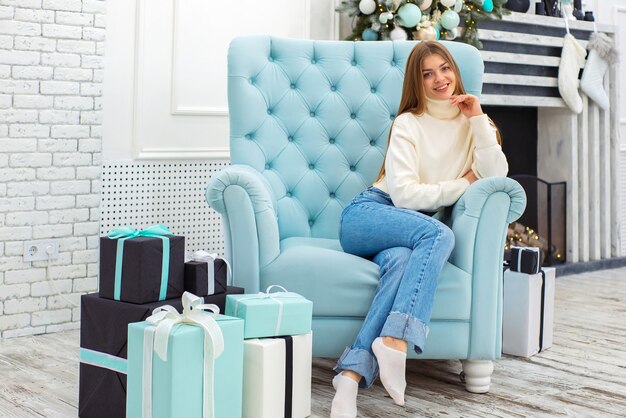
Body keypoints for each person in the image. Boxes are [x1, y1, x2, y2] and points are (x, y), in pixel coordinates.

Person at [330, 41, 509, 418]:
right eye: (427, 73)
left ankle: (348, 378)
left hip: (409, 234)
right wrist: (463, 182)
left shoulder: (477, 125)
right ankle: (395, 341)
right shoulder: (408, 123)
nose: (439, 79)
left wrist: (477, 117)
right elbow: (406, 196)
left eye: (444, 68)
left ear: (455, 71)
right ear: (417, 81)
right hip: (370, 215)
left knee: (401, 263)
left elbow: (496, 174)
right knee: (439, 234)